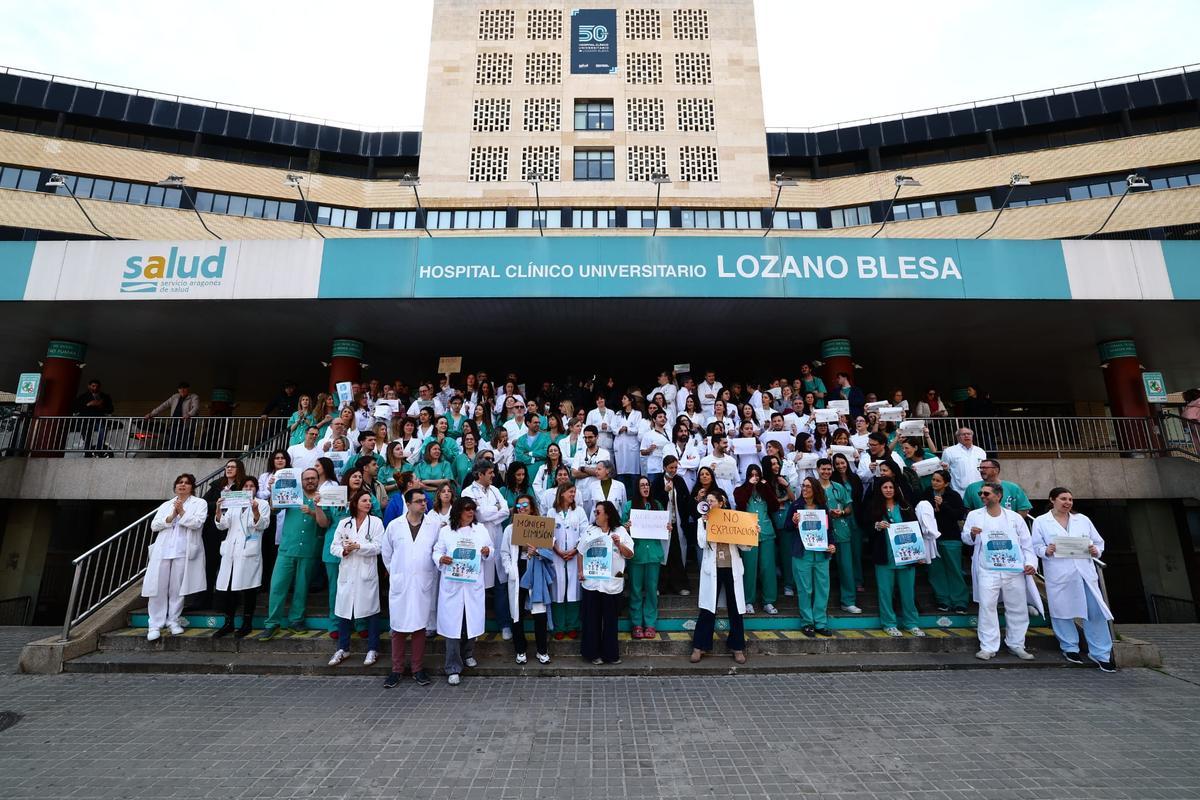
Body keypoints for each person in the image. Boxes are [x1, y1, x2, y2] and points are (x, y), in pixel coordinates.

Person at [1031, 487, 1115, 672]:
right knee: (1062, 611)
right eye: (1063, 498)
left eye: (1070, 499)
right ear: (1052, 500)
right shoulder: (1041, 522)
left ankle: (1101, 653)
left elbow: (1098, 542)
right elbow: (1035, 546)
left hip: (1084, 572)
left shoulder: (1083, 520)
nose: (1068, 502)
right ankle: (1069, 647)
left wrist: (1096, 550)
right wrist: (1046, 550)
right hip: (1060, 572)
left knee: (1095, 611)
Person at [963, 481, 1039, 661]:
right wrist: (972, 534)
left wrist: (1031, 564)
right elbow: (965, 538)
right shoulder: (974, 515)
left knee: (1017, 607)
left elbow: (1027, 544)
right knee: (987, 606)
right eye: (981, 493)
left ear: (998, 496)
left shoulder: (1014, 517)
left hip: (1013, 569)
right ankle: (988, 646)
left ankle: (1017, 644)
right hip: (987, 569)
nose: (982, 496)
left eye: (986, 494)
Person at [258, 468, 330, 640]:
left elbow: (325, 523)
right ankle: (272, 623)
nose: (310, 481)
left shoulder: (323, 498)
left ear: (318, 479)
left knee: (302, 588)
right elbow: (274, 509)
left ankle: (296, 620)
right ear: (301, 480)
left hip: (308, 549)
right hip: (287, 548)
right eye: (307, 478)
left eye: (313, 478)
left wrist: (313, 511)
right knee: (277, 587)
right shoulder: (293, 494)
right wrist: (274, 490)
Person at [433, 497, 494, 685]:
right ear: (458, 511)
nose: (471, 513)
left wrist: (486, 552)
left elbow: (491, 550)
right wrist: (441, 559)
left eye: (473, 509)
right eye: (467, 509)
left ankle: (468, 654)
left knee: (470, 623)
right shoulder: (446, 532)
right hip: (453, 585)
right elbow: (436, 551)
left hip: (472, 585)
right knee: (453, 628)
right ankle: (452, 667)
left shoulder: (480, 530)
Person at [381, 487, 438, 684]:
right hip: (401, 581)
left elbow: (438, 550)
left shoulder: (433, 524)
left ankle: (417, 668)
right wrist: (397, 572)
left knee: (419, 627)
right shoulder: (395, 526)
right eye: (420, 501)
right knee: (398, 627)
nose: (424, 504)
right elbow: (386, 552)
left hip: (422, 581)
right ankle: (396, 669)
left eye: (425, 500)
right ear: (408, 503)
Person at [143, 474, 207, 641]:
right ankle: (155, 624)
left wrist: (182, 512)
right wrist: (171, 516)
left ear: (192, 487)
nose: (182, 485)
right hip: (163, 550)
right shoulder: (166, 504)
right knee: (157, 587)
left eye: (186, 483)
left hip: (183, 550)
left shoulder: (200, 503)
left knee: (177, 588)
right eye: (180, 482)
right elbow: (154, 525)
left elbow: (197, 523)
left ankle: (173, 621)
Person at [689, 487, 748, 664]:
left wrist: (752, 533)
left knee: (735, 608)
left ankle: (737, 647)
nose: (709, 503)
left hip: (731, 567)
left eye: (712, 501)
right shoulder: (702, 521)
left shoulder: (734, 519)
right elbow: (701, 543)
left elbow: (745, 547)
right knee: (708, 608)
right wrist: (707, 524)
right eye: (707, 501)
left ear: (721, 503)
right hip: (712, 568)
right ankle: (699, 646)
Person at [327, 489, 385, 667]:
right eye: (364, 500)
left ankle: (372, 649)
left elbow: (379, 547)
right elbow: (333, 547)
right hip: (348, 572)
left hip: (366, 573)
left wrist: (358, 546)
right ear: (355, 503)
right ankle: (343, 648)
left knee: (371, 611)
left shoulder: (375, 522)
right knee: (344, 611)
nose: (368, 503)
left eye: (369, 500)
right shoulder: (345, 523)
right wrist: (345, 550)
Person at [866, 477, 925, 638]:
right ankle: (889, 624)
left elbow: (915, 531)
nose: (888, 490)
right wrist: (877, 526)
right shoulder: (874, 507)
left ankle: (911, 623)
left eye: (891, 487)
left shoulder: (905, 506)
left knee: (908, 592)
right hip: (885, 556)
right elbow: (867, 529)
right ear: (880, 490)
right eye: (885, 487)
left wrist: (919, 553)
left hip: (906, 557)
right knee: (885, 592)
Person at [212, 476, 269, 638]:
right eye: (245, 486)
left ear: (256, 489)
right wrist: (218, 509)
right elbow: (223, 525)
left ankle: (247, 623)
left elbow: (263, 525)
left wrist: (255, 509)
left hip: (249, 551)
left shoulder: (263, 504)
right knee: (229, 587)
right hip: (231, 550)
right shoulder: (234, 504)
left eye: (252, 486)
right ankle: (229, 623)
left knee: (249, 588)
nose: (248, 489)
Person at [578, 500, 634, 665]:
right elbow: (580, 552)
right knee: (591, 620)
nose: (595, 515)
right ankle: (592, 653)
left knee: (610, 621)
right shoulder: (590, 530)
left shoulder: (621, 531)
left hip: (612, 584)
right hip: (592, 583)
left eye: (598, 512)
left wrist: (619, 544)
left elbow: (630, 554)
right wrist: (581, 571)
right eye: (595, 512)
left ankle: (611, 654)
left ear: (607, 514)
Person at [501, 493, 553, 664]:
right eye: (519, 506)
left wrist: (536, 551)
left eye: (525, 506)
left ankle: (542, 650)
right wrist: (510, 571)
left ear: (531, 507)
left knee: (539, 612)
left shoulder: (541, 526)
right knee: (517, 613)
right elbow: (505, 553)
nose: (522, 509)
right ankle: (520, 650)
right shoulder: (510, 529)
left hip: (535, 570)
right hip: (518, 570)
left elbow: (549, 551)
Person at [461, 462, 511, 638]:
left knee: (500, 586)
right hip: (478, 543)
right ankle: (475, 627)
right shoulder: (468, 492)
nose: (493, 476)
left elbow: (506, 511)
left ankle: (504, 624)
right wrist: (495, 510)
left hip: (497, 540)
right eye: (490, 473)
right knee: (478, 589)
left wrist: (491, 513)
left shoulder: (496, 490)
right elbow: (478, 515)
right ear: (480, 474)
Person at [783, 477, 837, 636]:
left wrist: (832, 544)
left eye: (808, 486)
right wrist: (793, 522)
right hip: (802, 553)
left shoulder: (823, 508)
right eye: (803, 486)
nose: (804, 489)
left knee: (822, 589)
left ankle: (820, 623)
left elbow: (829, 530)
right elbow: (786, 528)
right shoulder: (796, 506)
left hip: (821, 554)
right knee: (804, 589)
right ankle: (807, 622)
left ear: (815, 489)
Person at [197, 459, 247, 609]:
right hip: (213, 530)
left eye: (233, 467)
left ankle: (227, 601)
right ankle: (204, 600)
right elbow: (204, 503)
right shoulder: (217, 485)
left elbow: (246, 504)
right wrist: (218, 504)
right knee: (210, 565)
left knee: (230, 566)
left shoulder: (243, 485)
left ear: (239, 469)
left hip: (233, 529)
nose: (229, 469)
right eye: (227, 467)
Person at [622, 476, 665, 638]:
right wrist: (625, 526)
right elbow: (621, 526)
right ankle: (637, 624)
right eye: (642, 485)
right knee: (636, 590)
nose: (645, 487)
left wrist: (667, 527)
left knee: (652, 590)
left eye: (647, 485)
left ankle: (651, 624)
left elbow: (663, 527)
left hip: (653, 554)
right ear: (637, 488)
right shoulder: (629, 505)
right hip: (637, 554)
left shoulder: (657, 505)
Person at [921, 469, 970, 613]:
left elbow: (959, 515)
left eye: (938, 481)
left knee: (954, 569)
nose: (934, 483)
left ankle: (960, 601)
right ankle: (943, 600)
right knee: (936, 571)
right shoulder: (926, 494)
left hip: (950, 537)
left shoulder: (953, 495)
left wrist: (943, 505)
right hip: (932, 539)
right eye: (933, 480)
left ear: (946, 483)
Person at [733, 464, 779, 616]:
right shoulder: (740, 490)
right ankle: (748, 601)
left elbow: (774, 506)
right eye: (751, 474)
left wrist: (765, 488)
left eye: (757, 474)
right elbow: (740, 505)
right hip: (747, 533)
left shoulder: (765, 489)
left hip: (766, 532)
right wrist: (749, 486)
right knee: (749, 568)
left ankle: (769, 601)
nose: (755, 477)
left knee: (768, 568)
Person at [815, 458, 858, 615]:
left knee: (846, 567)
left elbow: (849, 506)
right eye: (823, 469)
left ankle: (848, 601)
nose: (826, 472)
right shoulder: (813, 487)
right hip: (820, 533)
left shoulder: (838, 487)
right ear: (817, 469)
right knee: (820, 570)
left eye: (828, 469)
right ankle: (820, 604)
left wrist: (842, 512)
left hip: (841, 530)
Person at [651, 455, 694, 596]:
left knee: (676, 555)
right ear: (664, 467)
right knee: (663, 556)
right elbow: (654, 502)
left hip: (677, 523)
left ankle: (679, 585)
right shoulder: (657, 482)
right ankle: (660, 586)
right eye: (671, 468)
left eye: (676, 467)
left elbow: (686, 500)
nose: (674, 470)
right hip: (662, 525)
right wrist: (665, 492)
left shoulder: (680, 480)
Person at [550, 483, 587, 640]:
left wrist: (575, 550)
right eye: (571, 492)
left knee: (573, 591)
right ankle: (559, 626)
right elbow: (548, 533)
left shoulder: (579, 512)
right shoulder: (552, 512)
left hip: (574, 556)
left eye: (574, 492)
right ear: (562, 493)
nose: (573, 495)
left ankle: (572, 625)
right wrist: (557, 550)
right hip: (556, 556)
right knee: (558, 592)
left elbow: (585, 533)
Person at [963, 459, 1032, 518]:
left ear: (995, 470)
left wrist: (1013, 523)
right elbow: (967, 508)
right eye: (980, 468)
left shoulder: (1013, 487)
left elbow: (1023, 508)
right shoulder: (972, 488)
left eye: (985, 468)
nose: (981, 470)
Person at [145, 382, 200, 453]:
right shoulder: (175, 397)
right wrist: (151, 414)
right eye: (180, 389)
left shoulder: (194, 397)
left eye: (184, 388)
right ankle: (173, 459)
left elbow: (196, 408)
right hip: (175, 424)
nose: (182, 390)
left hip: (187, 424)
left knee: (186, 443)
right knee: (173, 443)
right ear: (178, 390)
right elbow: (163, 406)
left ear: (188, 389)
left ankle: (185, 460)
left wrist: (189, 414)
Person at [570, 425, 611, 518]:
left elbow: (603, 473)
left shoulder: (604, 454)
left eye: (590, 437)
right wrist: (595, 470)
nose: (587, 440)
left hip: (597, 494)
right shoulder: (579, 453)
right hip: (581, 493)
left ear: (597, 437)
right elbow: (574, 473)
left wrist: (584, 468)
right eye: (585, 437)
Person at [72, 378, 114, 456]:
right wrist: (88, 404)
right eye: (93, 386)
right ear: (89, 386)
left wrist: (101, 406)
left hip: (99, 419)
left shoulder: (105, 397)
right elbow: (75, 408)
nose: (95, 388)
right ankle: (88, 453)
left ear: (99, 387)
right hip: (85, 420)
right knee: (87, 437)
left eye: (97, 386)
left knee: (102, 430)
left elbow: (111, 409)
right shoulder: (82, 397)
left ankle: (98, 449)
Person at [613, 393, 644, 496]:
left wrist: (628, 429)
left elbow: (638, 428)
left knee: (633, 474)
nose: (622, 400)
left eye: (624, 398)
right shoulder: (617, 414)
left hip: (632, 446)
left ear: (630, 400)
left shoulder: (637, 414)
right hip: (620, 446)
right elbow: (612, 427)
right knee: (621, 474)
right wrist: (619, 429)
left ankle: (634, 498)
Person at [941, 427, 987, 496]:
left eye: (969, 434)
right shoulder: (949, 451)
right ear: (957, 437)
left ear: (972, 436)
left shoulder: (980, 451)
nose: (966, 436)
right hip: (958, 491)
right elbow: (943, 471)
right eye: (963, 434)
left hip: (979, 490)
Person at [699, 432, 739, 497]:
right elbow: (701, 480)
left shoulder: (731, 460)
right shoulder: (705, 461)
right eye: (724, 443)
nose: (727, 445)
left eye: (727, 443)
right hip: (711, 498)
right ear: (716, 444)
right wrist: (710, 471)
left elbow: (736, 481)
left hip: (729, 498)